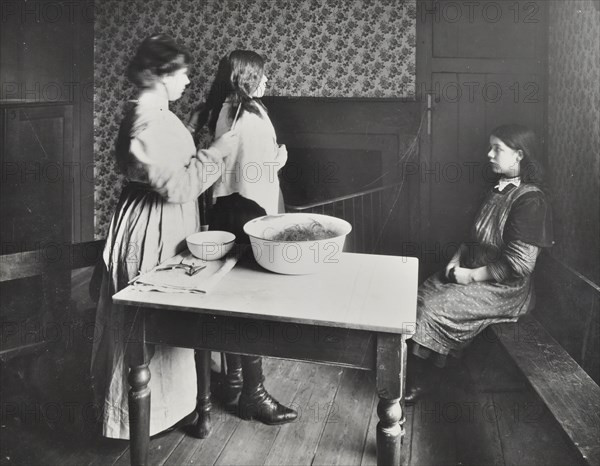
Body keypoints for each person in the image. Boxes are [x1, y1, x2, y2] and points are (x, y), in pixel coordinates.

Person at [90, 34, 236, 439]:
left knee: (165, 322)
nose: (189, 80)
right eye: (184, 73)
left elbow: (166, 157)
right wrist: (217, 152)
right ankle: (133, 420)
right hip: (153, 223)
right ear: (161, 73)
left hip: (162, 219)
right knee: (146, 323)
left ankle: (167, 410)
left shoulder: (154, 112)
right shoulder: (147, 119)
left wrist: (191, 131)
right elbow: (177, 188)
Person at [405, 124, 553, 402]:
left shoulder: (531, 201)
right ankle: (416, 370)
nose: (489, 154)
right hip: (472, 269)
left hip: (504, 289)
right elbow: (473, 235)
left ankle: (429, 380)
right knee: (420, 294)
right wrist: (457, 259)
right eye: (491, 147)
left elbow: (519, 265)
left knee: (432, 308)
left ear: (519, 156)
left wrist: (471, 277)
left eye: (497, 148)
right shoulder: (497, 189)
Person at [192, 50, 296, 425]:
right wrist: (277, 160)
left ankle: (237, 381)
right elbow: (248, 165)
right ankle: (253, 394)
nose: (268, 81)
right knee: (250, 302)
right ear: (249, 77)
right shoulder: (247, 115)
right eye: (263, 75)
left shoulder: (226, 107)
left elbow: (236, 163)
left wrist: (271, 160)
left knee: (234, 299)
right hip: (246, 212)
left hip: (228, 209)